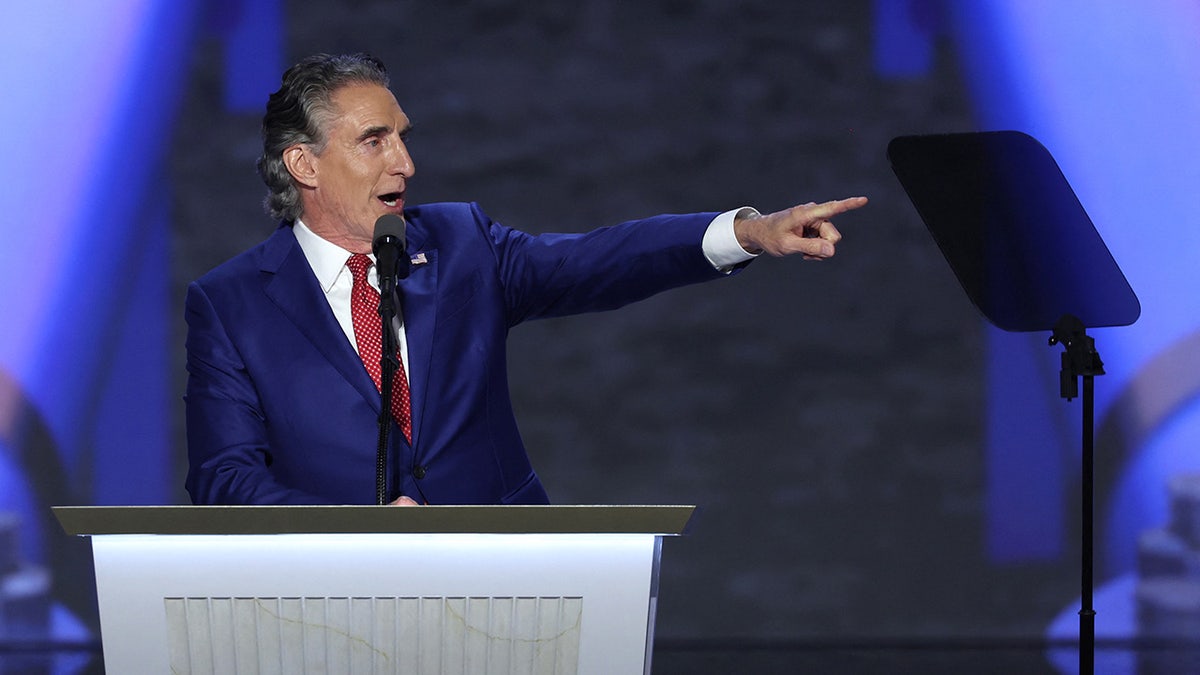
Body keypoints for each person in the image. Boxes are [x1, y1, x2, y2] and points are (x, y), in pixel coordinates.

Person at [184, 53, 867, 506]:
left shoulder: (461, 244)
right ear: (304, 165)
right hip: (334, 600)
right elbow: (226, 475)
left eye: (403, 136)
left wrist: (745, 232)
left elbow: (600, 259)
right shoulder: (232, 303)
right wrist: (354, 530)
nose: (406, 163)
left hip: (509, 577)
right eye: (375, 141)